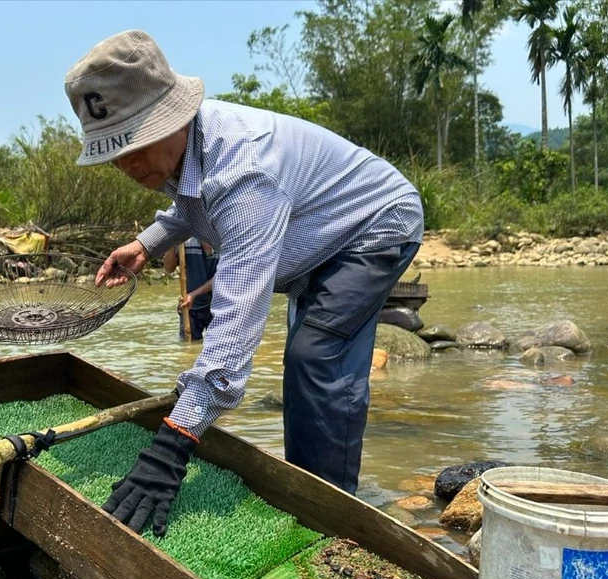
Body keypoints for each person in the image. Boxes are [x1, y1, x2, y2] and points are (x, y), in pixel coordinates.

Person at [64, 30, 423, 537]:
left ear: (174, 116)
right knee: (307, 360)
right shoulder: (188, 148)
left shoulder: (245, 168)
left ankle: (327, 521)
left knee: (317, 356)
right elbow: (191, 203)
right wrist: (147, 244)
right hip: (314, 237)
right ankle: (311, 487)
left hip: (374, 225)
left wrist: (170, 450)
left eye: (135, 143)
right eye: (113, 152)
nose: (126, 163)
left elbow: (234, 329)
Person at [163, 237, 217, 341]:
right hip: (191, 306)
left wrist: (193, 294)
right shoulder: (186, 241)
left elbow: (222, 277)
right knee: (188, 348)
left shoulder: (224, 241)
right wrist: (172, 244)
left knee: (221, 345)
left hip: (220, 304)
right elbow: (169, 268)